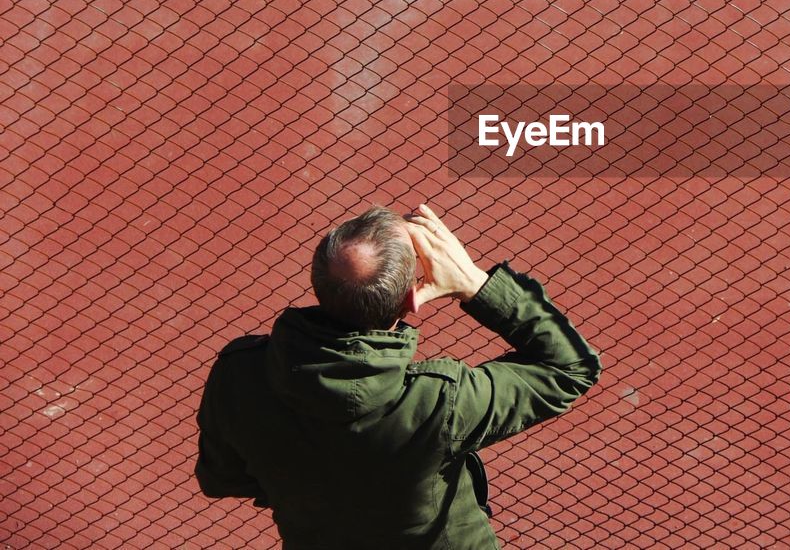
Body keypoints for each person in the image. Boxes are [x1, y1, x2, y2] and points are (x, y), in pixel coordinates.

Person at [195, 204, 602, 549]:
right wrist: (476, 285)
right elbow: (569, 367)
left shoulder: (240, 374)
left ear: (318, 284)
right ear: (411, 298)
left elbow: (221, 477)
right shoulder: (442, 403)